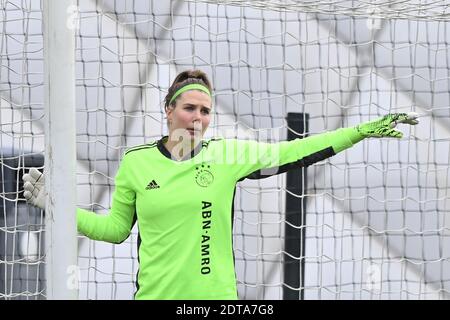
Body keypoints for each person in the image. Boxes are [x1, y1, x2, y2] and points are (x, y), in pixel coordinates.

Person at [22, 69, 419, 300]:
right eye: (190, 108)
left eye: (206, 110)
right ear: (169, 110)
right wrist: (56, 207)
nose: (198, 118)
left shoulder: (226, 156)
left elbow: (297, 151)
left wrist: (361, 131)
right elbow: (114, 230)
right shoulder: (136, 163)